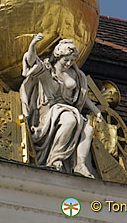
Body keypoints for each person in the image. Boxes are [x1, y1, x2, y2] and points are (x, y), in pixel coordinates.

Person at [20, 33, 103, 178]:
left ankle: (80, 165)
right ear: (58, 56)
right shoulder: (47, 70)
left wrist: (96, 111)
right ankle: (55, 160)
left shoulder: (77, 75)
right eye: (66, 59)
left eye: (72, 60)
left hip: (71, 110)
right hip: (51, 111)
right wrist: (33, 44)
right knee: (69, 120)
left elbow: (82, 96)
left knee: (88, 130)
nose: (69, 63)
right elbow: (32, 60)